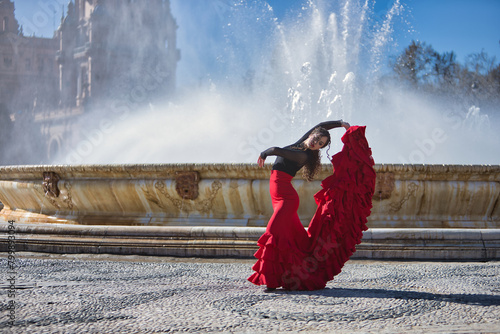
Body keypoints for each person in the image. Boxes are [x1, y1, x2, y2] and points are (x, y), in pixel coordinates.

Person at [247, 120, 350, 292]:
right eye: (317, 138)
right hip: (278, 196)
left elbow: (277, 151)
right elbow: (322, 124)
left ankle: (269, 279)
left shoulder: (303, 155)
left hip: (287, 200)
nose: (316, 143)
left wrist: (265, 153)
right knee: (292, 240)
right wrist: (341, 123)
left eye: (320, 144)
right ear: (312, 134)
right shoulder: (301, 143)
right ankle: (294, 275)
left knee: (272, 233)